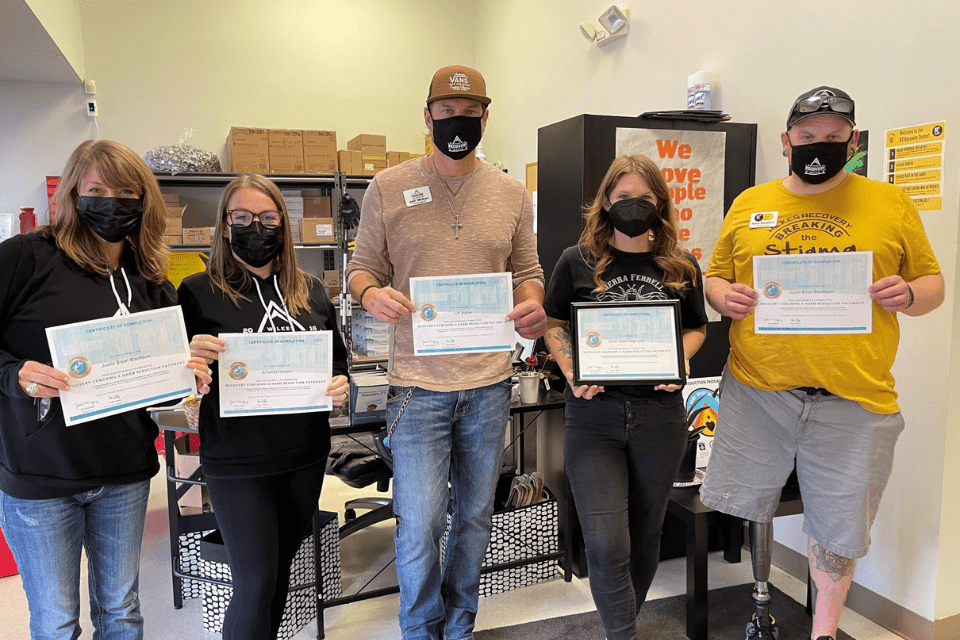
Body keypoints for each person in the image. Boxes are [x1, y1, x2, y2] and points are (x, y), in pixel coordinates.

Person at [699, 86, 944, 640]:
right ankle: (760, 606)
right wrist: (721, 295)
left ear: (852, 142)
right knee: (744, 502)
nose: (820, 145)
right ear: (787, 141)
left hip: (853, 397)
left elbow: (933, 283)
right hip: (760, 392)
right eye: (808, 136)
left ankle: (825, 633)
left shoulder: (890, 203)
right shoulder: (750, 203)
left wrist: (909, 294)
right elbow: (716, 275)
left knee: (839, 529)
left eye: (834, 137)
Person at [344, 65, 545, 640]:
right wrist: (371, 294)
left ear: (486, 115)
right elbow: (361, 270)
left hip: (489, 384)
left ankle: (459, 625)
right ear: (428, 116)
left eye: (470, 111)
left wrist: (532, 304)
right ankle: (419, 627)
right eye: (447, 110)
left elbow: (527, 272)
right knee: (420, 523)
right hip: (417, 386)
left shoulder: (510, 192)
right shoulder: (387, 187)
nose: (459, 120)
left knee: (475, 518)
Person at [0, 139, 212, 640]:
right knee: (56, 623)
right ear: (73, 194)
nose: (111, 202)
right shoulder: (25, 258)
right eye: (96, 190)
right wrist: (16, 375)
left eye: (126, 192)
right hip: (41, 476)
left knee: (122, 612)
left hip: (124, 473)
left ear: (144, 201)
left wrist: (188, 383)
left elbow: (164, 394)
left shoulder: (150, 278)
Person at [542, 155, 708, 640]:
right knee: (606, 542)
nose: (633, 206)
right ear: (605, 203)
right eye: (622, 198)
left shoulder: (681, 265)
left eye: (644, 199)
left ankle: (623, 625)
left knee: (645, 534)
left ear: (660, 204)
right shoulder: (576, 260)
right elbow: (553, 323)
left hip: (659, 418)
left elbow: (696, 328)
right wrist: (570, 368)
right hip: (593, 417)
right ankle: (623, 635)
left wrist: (678, 358)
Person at [178, 174, 349, 640]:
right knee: (254, 585)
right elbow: (177, 375)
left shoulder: (311, 290)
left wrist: (339, 381)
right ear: (225, 224)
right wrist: (189, 365)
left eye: (268, 217)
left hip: (303, 456)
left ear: (283, 224)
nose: (257, 227)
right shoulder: (196, 291)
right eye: (243, 217)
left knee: (276, 578)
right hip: (238, 462)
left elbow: (336, 358)